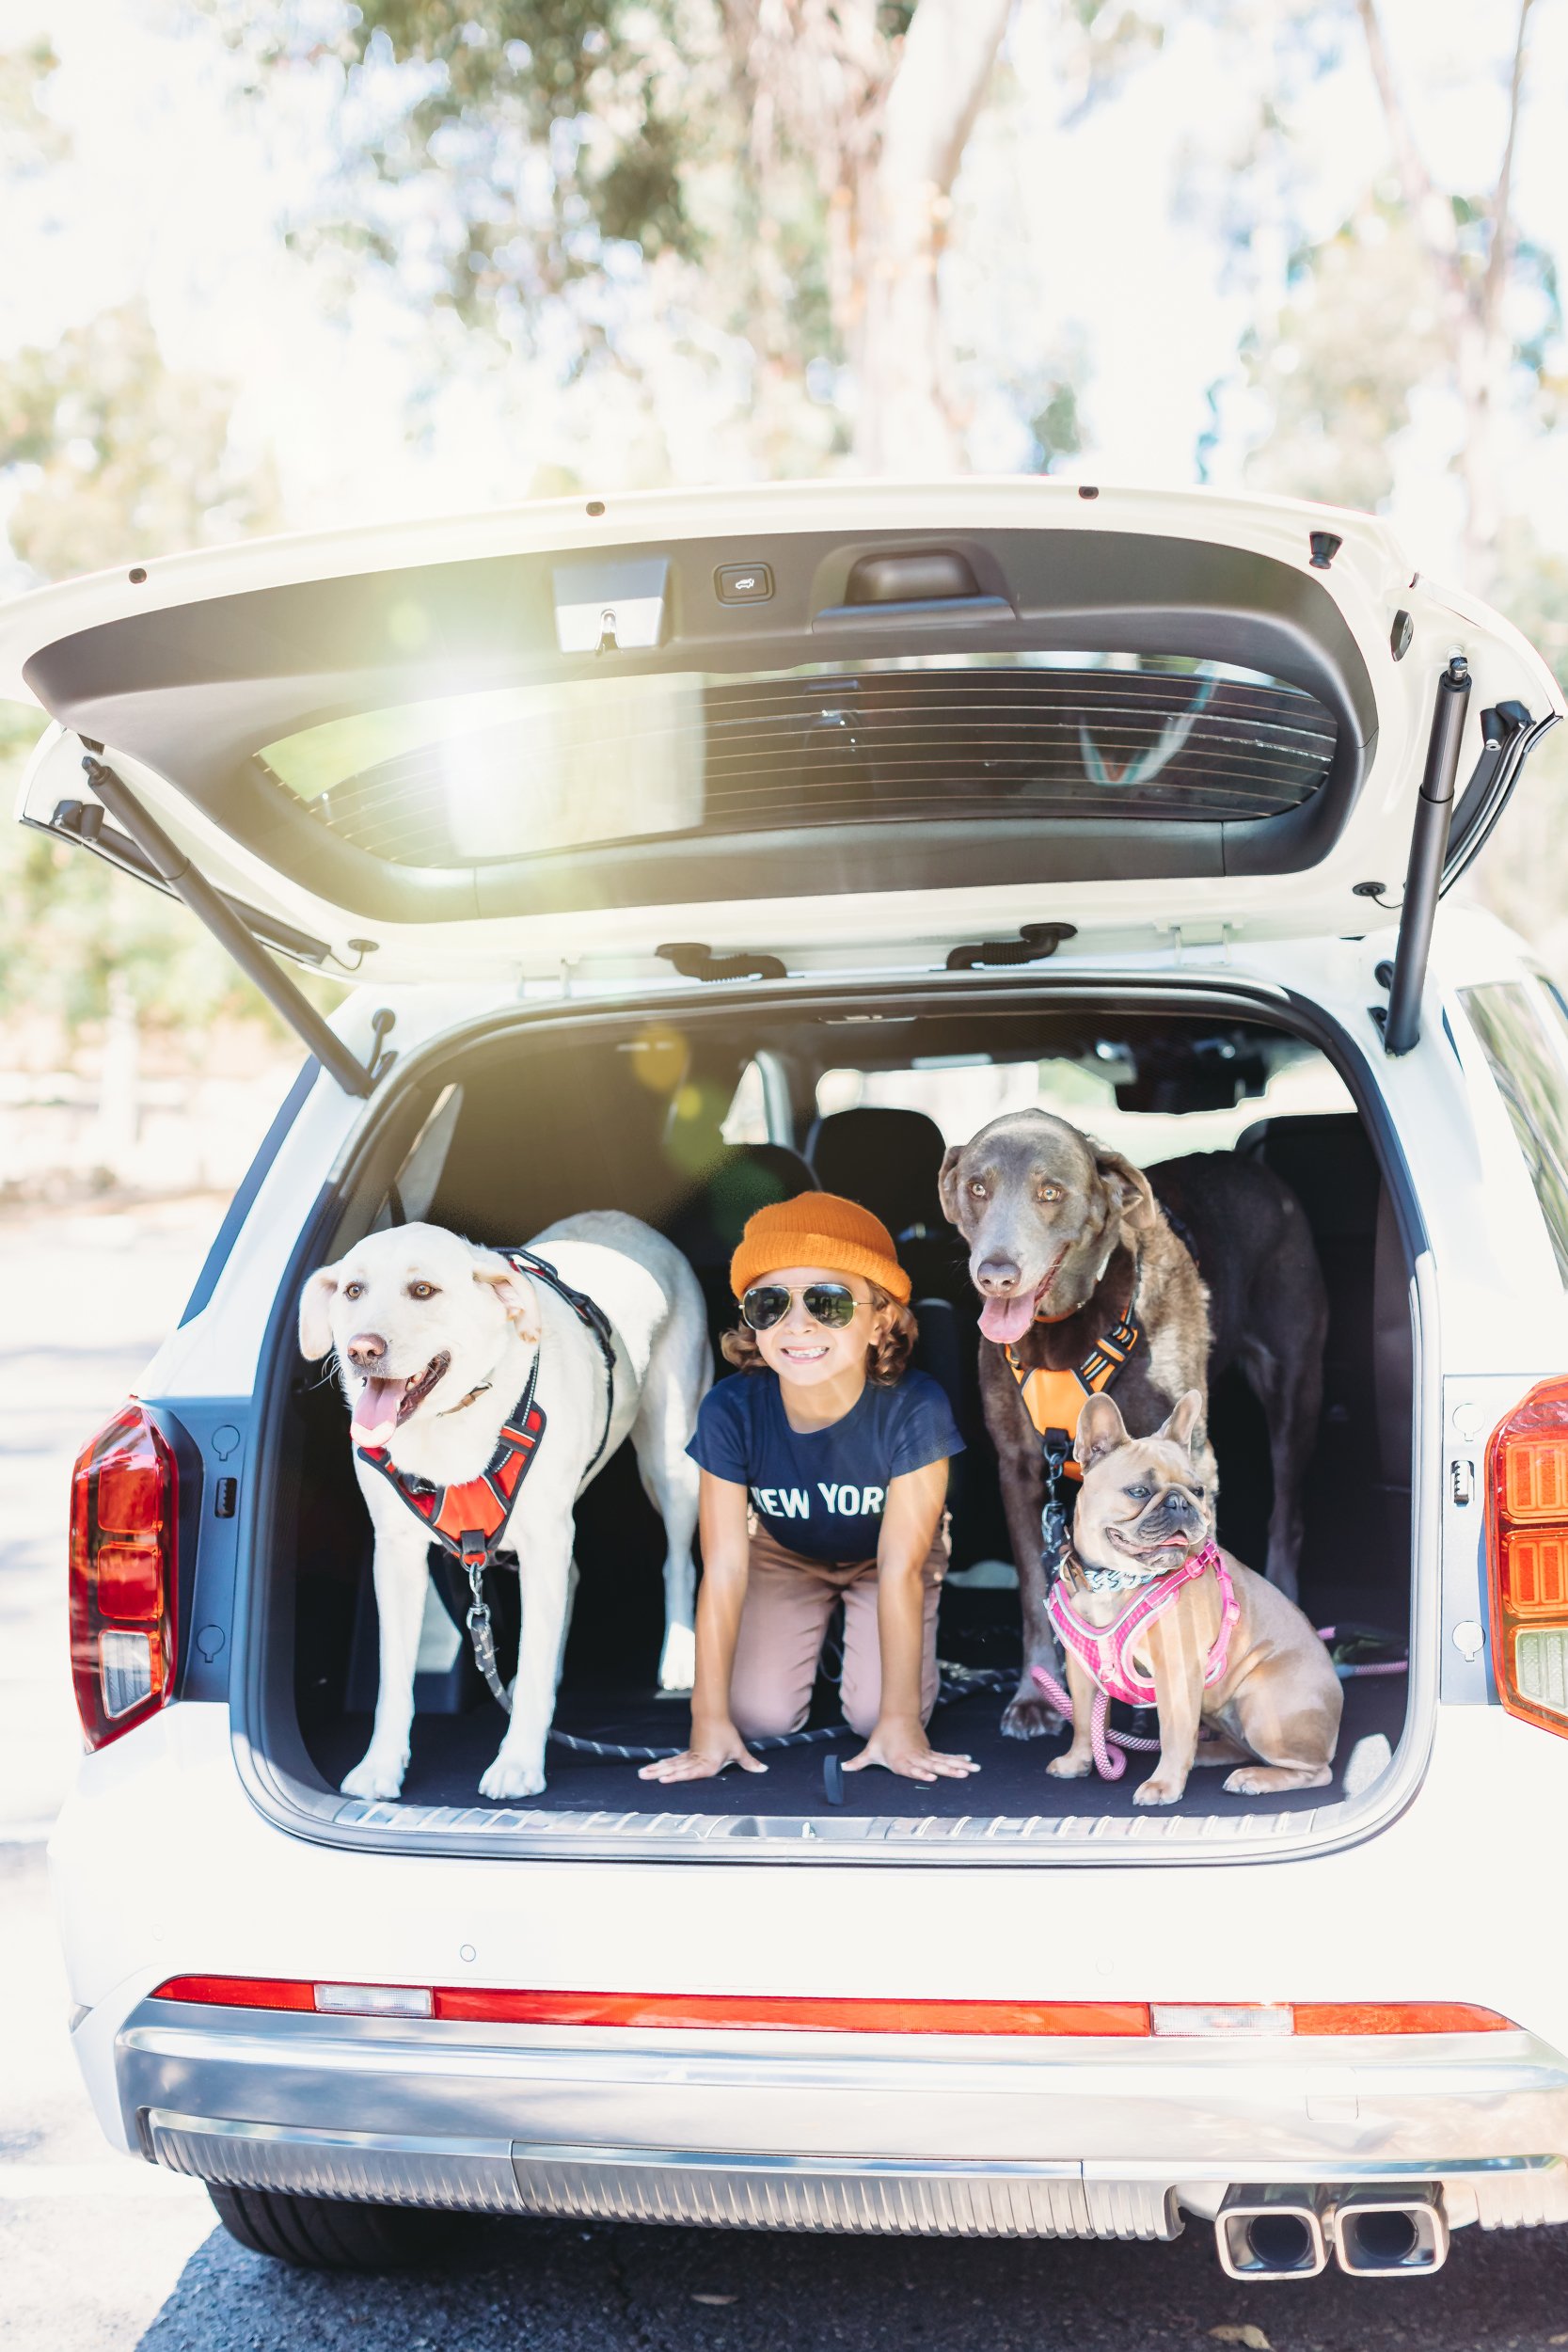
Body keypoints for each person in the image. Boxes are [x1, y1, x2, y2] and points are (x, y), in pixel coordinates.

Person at [640, 1192, 979, 1788]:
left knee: (875, 1715)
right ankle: (818, 1643)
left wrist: (901, 1722)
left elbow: (901, 1567)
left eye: (828, 1302)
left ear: (880, 1322)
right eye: (771, 1303)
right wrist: (706, 1721)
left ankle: (868, 1659)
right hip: (784, 1556)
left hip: (886, 1563)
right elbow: (722, 1568)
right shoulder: (729, 1409)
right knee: (755, 1716)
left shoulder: (915, 1408)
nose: (798, 1324)